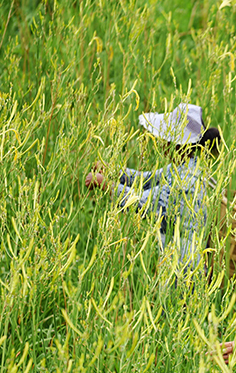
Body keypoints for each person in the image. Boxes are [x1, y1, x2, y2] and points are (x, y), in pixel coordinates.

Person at [85, 103, 221, 272]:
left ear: (178, 144)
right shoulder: (181, 168)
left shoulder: (186, 180)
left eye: (164, 138)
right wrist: (113, 171)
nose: (160, 141)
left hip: (184, 266)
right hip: (174, 257)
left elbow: (143, 202)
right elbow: (145, 180)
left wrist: (107, 185)